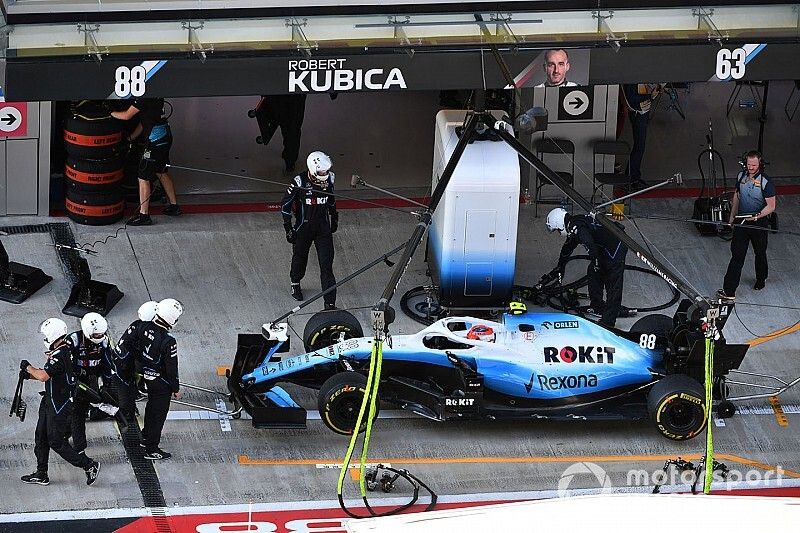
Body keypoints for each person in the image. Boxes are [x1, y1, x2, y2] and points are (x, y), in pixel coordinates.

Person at [20, 318, 100, 486]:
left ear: (51, 335)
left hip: (59, 404)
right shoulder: (63, 350)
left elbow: (43, 375)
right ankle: (41, 473)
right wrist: (30, 375)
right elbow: (49, 376)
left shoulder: (60, 354)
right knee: (41, 436)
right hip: (50, 399)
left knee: (56, 441)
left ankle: (89, 465)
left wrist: (28, 367)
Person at [545, 208, 628, 328]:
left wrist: (596, 262)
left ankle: (608, 322)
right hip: (606, 246)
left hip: (617, 245)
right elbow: (567, 248)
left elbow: (589, 243)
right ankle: (597, 306)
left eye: (557, 230)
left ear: (559, 224)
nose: (559, 233)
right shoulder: (573, 224)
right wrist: (560, 266)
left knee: (613, 283)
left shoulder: (576, 228)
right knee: (593, 272)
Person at [281, 151, 339, 309]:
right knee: (300, 258)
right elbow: (285, 206)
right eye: (322, 171)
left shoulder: (330, 179)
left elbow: (331, 200)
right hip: (303, 228)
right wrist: (288, 228)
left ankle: (330, 303)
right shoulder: (299, 181)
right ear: (313, 170)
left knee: (326, 266)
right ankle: (295, 282)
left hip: (323, 229)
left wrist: (334, 217)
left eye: (326, 171)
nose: (325, 174)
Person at [111, 98, 181, 226]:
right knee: (161, 171)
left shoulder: (143, 98)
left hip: (155, 141)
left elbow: (127, 115)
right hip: (165, 136)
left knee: (143, 178)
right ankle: (174, 206)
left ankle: (144, 215)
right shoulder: (157, 96)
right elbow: (144, 122)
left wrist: (110, 113)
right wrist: (131, 137)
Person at [720, 151, 776, 298]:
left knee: (760, 253)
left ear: (760, 165)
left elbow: (771, 206)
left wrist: (757, 216)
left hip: (759, 223)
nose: (751, 167)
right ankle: (729, 290)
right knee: (737, 256)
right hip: (741, 221)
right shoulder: (741, 176)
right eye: (749, 164)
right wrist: (732, 215)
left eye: (754, 165)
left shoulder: (765, 182)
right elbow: (737, 195)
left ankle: (761, 278)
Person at [138, 298, 183, 460]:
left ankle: (145, 437)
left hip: (144, 376)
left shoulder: (143, 326)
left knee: (150, 409)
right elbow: (172, 369)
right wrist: (176, 388)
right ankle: (151, 449)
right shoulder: (169, 341)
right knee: (157, 415)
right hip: (160, 383)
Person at [65, 312, 116, 455]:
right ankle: (78, 446)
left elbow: (107, 364)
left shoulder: (104, 342)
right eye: (97, 335)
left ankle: (73, 439)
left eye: (102, 334)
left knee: (82, 410)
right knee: (76, 412)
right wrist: (71, 381)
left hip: (91, 380)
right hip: (75, 382)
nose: (100, 337)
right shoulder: (73, 340)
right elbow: (65, 364)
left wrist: (107, 385)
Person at [115, 301, 158, 422]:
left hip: (126, 360)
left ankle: (138, 389)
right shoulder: (144, 333)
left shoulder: (137, 324)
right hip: (123, 365)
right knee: (126, 393)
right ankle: (127, 414)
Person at [252, 94, 307, 173]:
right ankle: (290, 161)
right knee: (292, 128)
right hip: (293, 92)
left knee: (290, 128)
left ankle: (290, 160)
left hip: (278, 92)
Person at [621, 84, 661, 189]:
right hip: (638, 113)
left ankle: (634, 176)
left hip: (642, 112)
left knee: (640, 147)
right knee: (639, 147)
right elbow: (632, 99)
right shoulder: (631, 81)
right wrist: (650, 96)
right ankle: (631, 179)